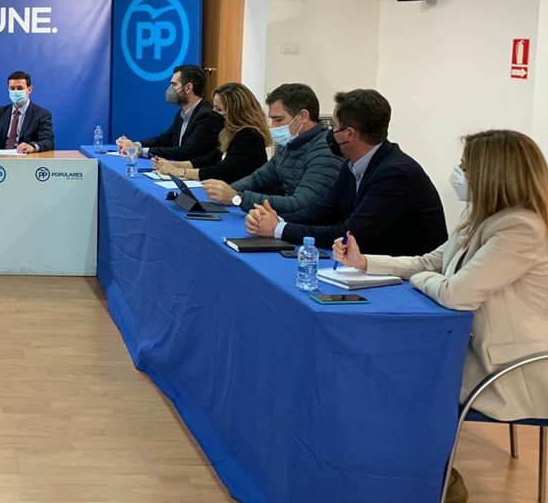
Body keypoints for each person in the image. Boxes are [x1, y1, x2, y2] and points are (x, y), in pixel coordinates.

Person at [333, 128, 548, 421]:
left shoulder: (521, 229)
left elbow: (455, 294)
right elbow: (429, 262)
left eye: (465, 168)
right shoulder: (479, 217)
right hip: (471, 351)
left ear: (490, 174)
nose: (459, 175)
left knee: (393, 378)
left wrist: (423, 280)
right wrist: (363, 262)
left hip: (509, 368)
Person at [243, 89, 447, 255]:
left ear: (349, 134)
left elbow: (349, 234)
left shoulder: (395, 174)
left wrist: (279, 229)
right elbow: (324, 210)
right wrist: (279, 219)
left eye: (335, 127)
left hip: (406, 276)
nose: (331, 133)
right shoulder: (352, 164)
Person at [202, 82, 342, 221]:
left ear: (303, 117)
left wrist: (237, 198)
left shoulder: (326, 152)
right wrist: (228, 190)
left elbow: (302, 204)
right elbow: (259, 179)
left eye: (278, 119)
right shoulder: (288, 144)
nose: (272, 126)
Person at [151, 82, 270, 182]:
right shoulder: (228, 133)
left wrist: (179, 172)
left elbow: (222, 171)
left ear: (235, 113)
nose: (213, 112)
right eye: (214, 107)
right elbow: (209, 160)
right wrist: (173, 165)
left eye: (219, 109)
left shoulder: (249, 135)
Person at [116, 64, 222, 162]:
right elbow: (164, 140)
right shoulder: (182, 113)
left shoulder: (206, 115)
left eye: (174, 84)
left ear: (188, 88)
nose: (170, 89)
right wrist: (134, 145)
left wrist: (139, 151)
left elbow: (186, 151)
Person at [0, 71, 54, 154]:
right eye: (12, 88)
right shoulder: (1, 112)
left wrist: (33, 147)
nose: (15, 92)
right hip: (1, 159)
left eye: (20, 88)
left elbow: (47, 141)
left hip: (26, 159)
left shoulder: (42, 114)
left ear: (29, 89)